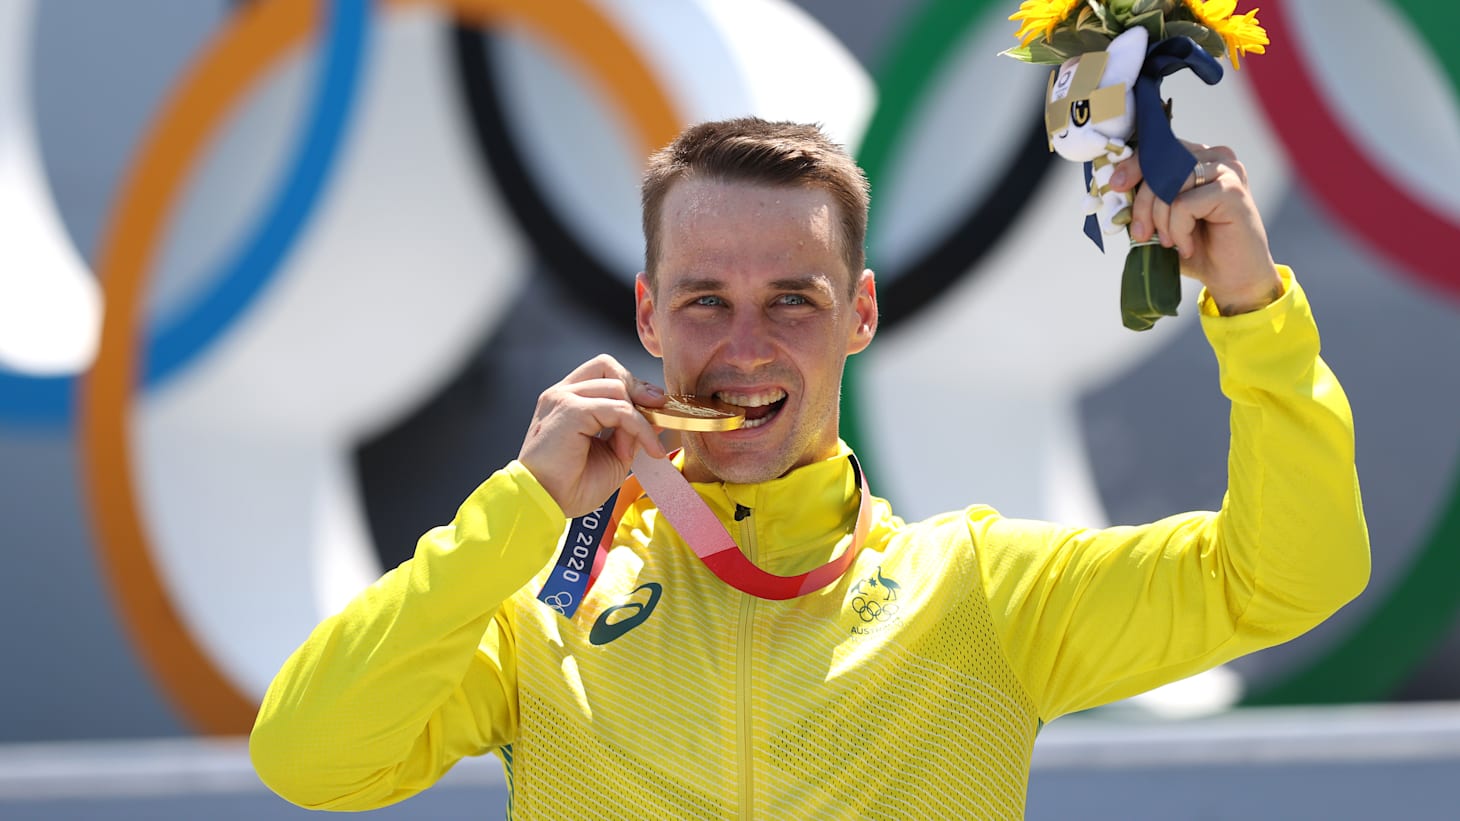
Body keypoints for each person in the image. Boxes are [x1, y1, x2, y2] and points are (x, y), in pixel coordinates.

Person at [250, 117, 1369, 818]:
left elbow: (1289, 576)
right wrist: (521, 506)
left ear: (860, 314)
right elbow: (309, 757)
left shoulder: (979, 589)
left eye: (792, 299)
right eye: (704, 300)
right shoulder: (543, 600)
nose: (745, 345)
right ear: (647, 314)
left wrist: (1251, 308)